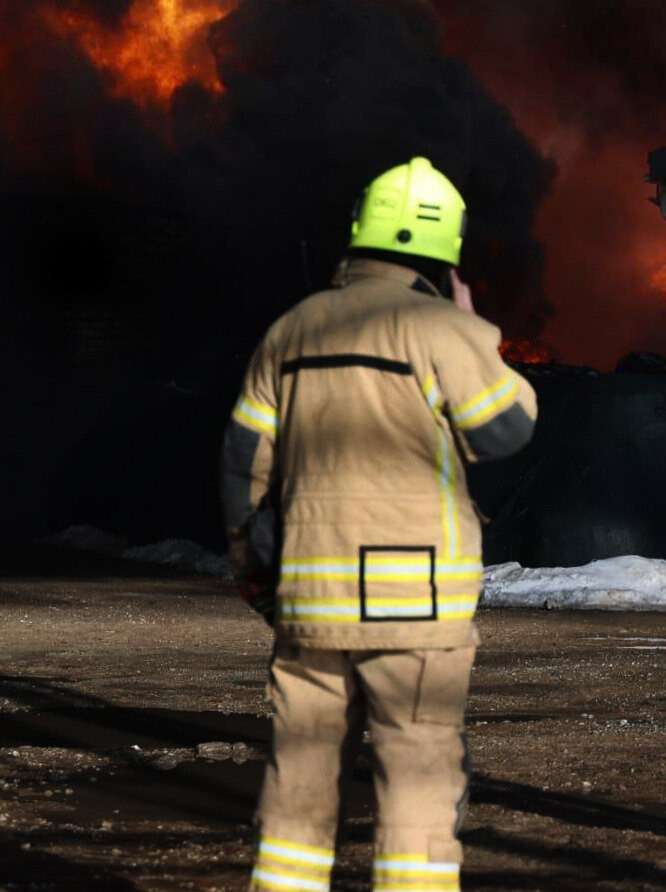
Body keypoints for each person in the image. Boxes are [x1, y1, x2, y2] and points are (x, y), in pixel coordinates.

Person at [223, 157, 537, 892]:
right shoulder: (438, 328)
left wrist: (249, 556)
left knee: (298, 779)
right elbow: (506, 430)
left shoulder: (291, 329)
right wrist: (470, 328)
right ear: (444, 250)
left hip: (309, 593)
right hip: (415, 606)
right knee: (417, 775)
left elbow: (243, 462)